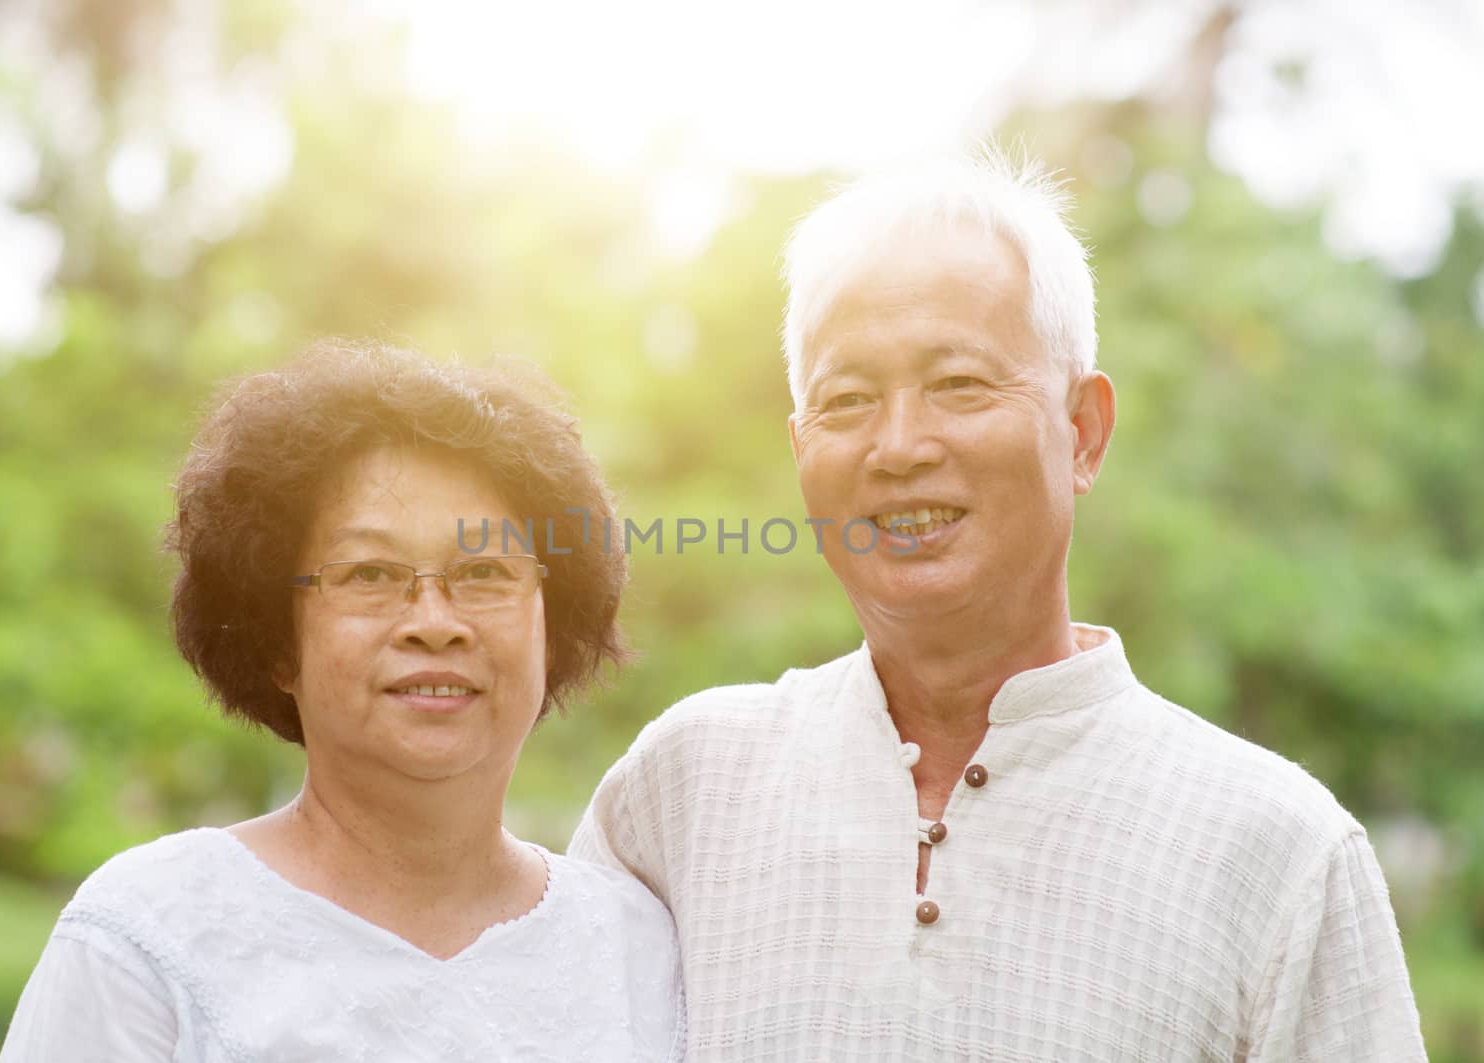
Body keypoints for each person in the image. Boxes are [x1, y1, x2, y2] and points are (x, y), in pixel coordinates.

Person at [570, 153, 1426, 1060]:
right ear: (799, 447)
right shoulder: (683, 790)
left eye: (961, 385)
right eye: (848, 399)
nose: (899, 445)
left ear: (1083, 432)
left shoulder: (1276, 851)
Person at [1, 342, 684, 1062]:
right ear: (276, 641)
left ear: (554, 622)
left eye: (483, 570)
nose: (434, 621)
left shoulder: (639, 948)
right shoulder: (148, 935)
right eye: (371, 573)